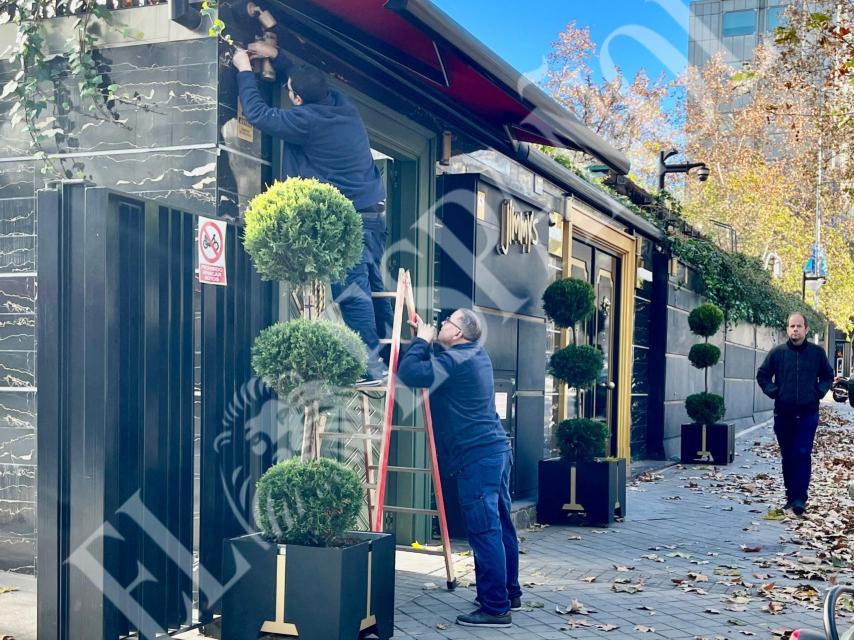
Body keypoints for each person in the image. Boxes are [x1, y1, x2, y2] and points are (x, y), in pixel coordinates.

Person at [233, 43, 391, 386]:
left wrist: (244, 69)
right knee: (374, 287)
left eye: (290, 91)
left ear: (298, 100)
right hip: (375, 215)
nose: (288, 91)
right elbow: (311, 82)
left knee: (353, 292)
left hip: (348, 221)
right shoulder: (342, 106)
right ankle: (392, 358)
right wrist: (278, 55)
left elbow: (259, 115)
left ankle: (372, 367)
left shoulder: (307, 121)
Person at [397, 308, 521, 628]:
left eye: (447, 321)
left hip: (478, 458)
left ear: (458, 334)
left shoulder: (455, 360)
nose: (441, 324)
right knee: (501, 525)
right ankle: (509, 593)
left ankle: (496, 609)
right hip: (496, 452)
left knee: (484, 531)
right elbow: (440, 364)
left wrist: (422, 342)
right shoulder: (474, 355)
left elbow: (411, 373)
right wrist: (425, 340)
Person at [756, 312, 834, 515]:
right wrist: (775, 392)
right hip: (783, 413)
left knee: (802, 452)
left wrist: (818, 391)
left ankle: (800, 498)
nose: (795, 330)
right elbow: (763, 375)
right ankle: (791, 496)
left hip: (808, 413)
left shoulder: (817, 353)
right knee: (788, 456)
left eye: (799, 326)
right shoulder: (777, 353)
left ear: (806, 329)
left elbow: (827, 374)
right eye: (792, 326)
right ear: (787, 329)